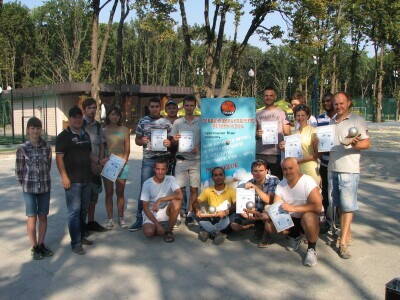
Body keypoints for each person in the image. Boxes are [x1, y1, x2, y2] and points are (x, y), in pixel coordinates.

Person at [328, 92, 370, 259]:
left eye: (341, 103)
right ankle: (347, 232)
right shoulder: (331, 121)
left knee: (347, 205)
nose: (339, 106)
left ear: (349, 103)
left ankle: (343, 242)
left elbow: (367, 142)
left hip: (349, 170)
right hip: (333, 168)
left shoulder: (357, 120)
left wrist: (354, 143)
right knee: (337, 204)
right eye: (336, 104)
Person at [264, 158, 322, 267]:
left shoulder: (307, 181)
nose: (287, 171)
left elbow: (317, 206)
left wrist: (293, 208)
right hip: (292, 219)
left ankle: (311, 248)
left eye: (290, 168)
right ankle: (294, 236)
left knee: (308, 217)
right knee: (269, 226)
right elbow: (277, 207)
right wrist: (267, 215)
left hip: (309, 216)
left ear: (297, 167)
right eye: (284, 169)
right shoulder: (281, 184)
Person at [128, 97, 172, 231]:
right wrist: (142, 140)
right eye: (152, 106)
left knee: (164, 189)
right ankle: (140, 219)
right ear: (149, 108)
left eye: (156, 106)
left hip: (163, 159)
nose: (154, 109)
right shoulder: (143, 121)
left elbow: (171, 141)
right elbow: (137, 140)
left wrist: (169, 143)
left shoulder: (166, 122)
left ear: (160, 108)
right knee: (144, 189)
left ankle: (164, 217)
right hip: (148, 160)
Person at [56, 106, 94, 255]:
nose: (77, 120)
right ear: (70, 119)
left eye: (79, 117)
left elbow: (89, 155)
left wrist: (98, 161)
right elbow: (59, 159)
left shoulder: (85, 135)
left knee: (83, 210)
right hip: (73, 182)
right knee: (74, 212)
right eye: (74, 117)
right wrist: (64, 177)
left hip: (87, 179)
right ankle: (75, 243)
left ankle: (82, 235)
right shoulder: (63, 137)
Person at [16, 117, 53, 260]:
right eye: (32, 128)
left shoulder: (47, 147)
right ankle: (34, 246)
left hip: (44, 187)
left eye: (38, 128)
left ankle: (42, 243)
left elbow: (48, 166)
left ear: (41, 130)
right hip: (29, 189)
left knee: (43, 216)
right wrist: (26, 184)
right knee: (32, 218)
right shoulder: (22, 148)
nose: (35, 131)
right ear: (27, 130)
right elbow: (19, 170)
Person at [230, 160, 279, 243]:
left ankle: (265, 233)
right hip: (255, 212)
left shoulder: (273, 180)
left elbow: (270, 200)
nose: (258, 173)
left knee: (267, 207)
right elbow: (243, 202)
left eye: (261, 171)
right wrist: (243, 211)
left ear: (266, 171)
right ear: (252, 172)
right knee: (234, 225)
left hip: (269, 211)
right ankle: (252, 225)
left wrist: (255, 187)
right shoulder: (249, 182)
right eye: (255, 171)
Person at [170, 95, 200, 225]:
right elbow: (171, 141)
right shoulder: (177, 122)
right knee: (180, 188)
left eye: (191, 105)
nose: (189, 108)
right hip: (181, 160)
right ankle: (179, 211)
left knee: (194, 189)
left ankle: (189, 213)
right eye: (186, 105)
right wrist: (174, 140)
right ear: (183, 106)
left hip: (196, 160)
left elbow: (206, 139)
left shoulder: (201, 121)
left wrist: (198, 147)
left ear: (195, 106)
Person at [102, 106, 130, 229]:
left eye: (117, 115)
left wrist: (123, 162)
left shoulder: (124, 130)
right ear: (108, 116)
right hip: (108, 165)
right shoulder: (103, 130)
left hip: (122, 165)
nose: (114, 117)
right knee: (109, 193)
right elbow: (102, 148)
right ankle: (109, 219)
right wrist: (102, 160)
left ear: (120, 116)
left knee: (120, 193)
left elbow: (127, 149)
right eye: (112, 114)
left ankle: (121, 217)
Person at [82, 98, 107, 233]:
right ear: (84, 109)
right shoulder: (80, 125)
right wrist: (93, 162)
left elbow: (102, 144)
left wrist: (101, 162)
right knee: (84, 198)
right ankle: (82, 225)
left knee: (94, 197)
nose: (92, 110)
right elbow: (80, 149)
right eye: (90, 108)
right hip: (85, 168)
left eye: (94, 108)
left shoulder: (98, 126)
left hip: (97, 167)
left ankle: (91, 222)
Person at [141, 160, 182, 242]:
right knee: (149, 232)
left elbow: (180, 195)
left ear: (167, 170)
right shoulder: (147, 183)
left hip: (166, 209)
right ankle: (162, 226)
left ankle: (169, 231)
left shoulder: (171, 179)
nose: (160, 172)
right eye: (158, 169)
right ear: (154, 169)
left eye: (163, 169)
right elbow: (145, 208)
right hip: (152, 211)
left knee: (177, 202)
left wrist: (160, 199)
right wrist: (157, 225)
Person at [279, 104, 320, 185]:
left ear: (308, 116)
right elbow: (290, 152)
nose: (300, 118)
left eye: (303, 115)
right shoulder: (293, 132)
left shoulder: (314, 131)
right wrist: (283, 148)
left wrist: (300, 160)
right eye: (298, 115)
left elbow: (317, 154)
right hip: (295, 170)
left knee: (312, 196)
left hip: (310, 169)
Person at [194, 167, 235, 245]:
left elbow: (236, 204)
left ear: (224, 177)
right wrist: (197, 209)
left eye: (220, 175)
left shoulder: (231, 190)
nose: (218, 177)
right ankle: (218, 234)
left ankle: (206, 231)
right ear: (212, 178)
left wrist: (226, 211)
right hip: (212, 216)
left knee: (233, 218)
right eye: (215, 175)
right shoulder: (208, 190)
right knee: (196, 214)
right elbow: (196, 202)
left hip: (225, 216)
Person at [256, 87, 290, 179]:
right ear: (263, 97)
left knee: (277, 181)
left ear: (275, 97)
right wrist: (256, 134)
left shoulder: (282, 112)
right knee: (260, 180)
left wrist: (286, 143)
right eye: (266, 95)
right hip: (260, 153)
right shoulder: (257, 113)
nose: (268, 97)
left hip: (276, 154)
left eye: (271, 95)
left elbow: (287, 133)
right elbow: (251, 133)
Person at [316, 93, 335, 226]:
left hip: (337, 162)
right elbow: (317, 138)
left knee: (337, 194)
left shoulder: (338, 118)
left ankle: (336, 220)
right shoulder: (320, 118)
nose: (326, 103)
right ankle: (327, 221)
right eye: (324, 101)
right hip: (324, 162)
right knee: (325, 192)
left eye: (329, 101)